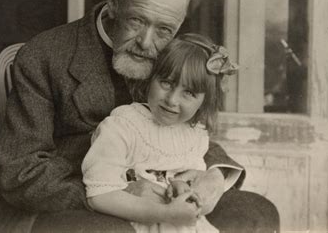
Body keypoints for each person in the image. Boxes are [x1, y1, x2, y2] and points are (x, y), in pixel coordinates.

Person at [0, 0, 279, 233]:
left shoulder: (168, 54)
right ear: (113, 3)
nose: (146, 42)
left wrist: (214, 176)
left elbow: (186, 126)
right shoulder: (45, 56)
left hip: (161, 189)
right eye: (136, 21)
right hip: (68, 199)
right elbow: (21, 172)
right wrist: (120, 193)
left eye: (164, 29)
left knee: (256, 213)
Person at [82, 33, 238, 233]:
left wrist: (183, 189)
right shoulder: (123, 126)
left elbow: (188, 179)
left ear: (204, 101)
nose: (172, 100)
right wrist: (165, 213)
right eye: (166, 83)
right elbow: (99, 195)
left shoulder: (195, 135)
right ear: (150, 78)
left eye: (189, 93)